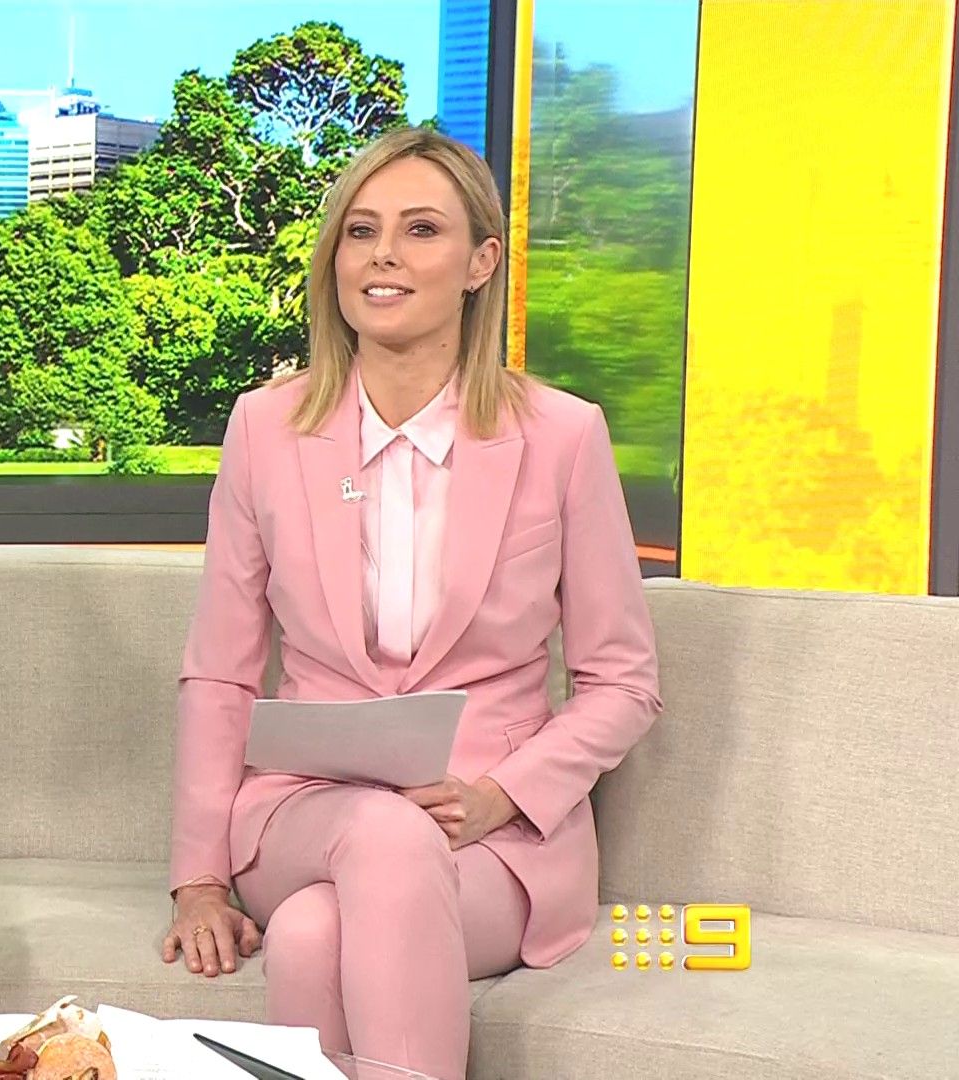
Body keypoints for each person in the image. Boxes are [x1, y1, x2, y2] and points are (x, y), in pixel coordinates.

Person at [160, 126, 662, 1078]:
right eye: (361, 231)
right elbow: (220, 670)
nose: (382, 254)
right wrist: (199, 880)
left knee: (310, 936)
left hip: (492, 836)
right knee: (378, 837)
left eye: (421, 229)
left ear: (481, 262)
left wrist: (497, 795)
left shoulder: (562, 436)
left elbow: (623, 685)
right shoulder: (265, 427)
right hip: (303, 814)